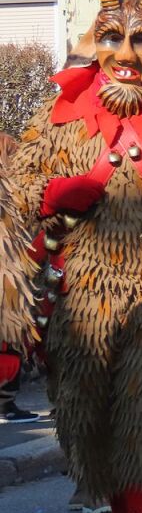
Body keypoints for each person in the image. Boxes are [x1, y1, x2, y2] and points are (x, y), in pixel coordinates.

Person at [8, 0, 142, 513]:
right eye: (114, 39)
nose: (128, 55)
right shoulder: (60, 122)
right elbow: (19, 192)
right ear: (95, 47)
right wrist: (56, 193)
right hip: (77, 302)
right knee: (91, 426)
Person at [0, 132, 37, 424]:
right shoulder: (9, 191)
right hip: (7, 276)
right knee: (10, 339)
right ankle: (5, 404)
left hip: (12, 271)